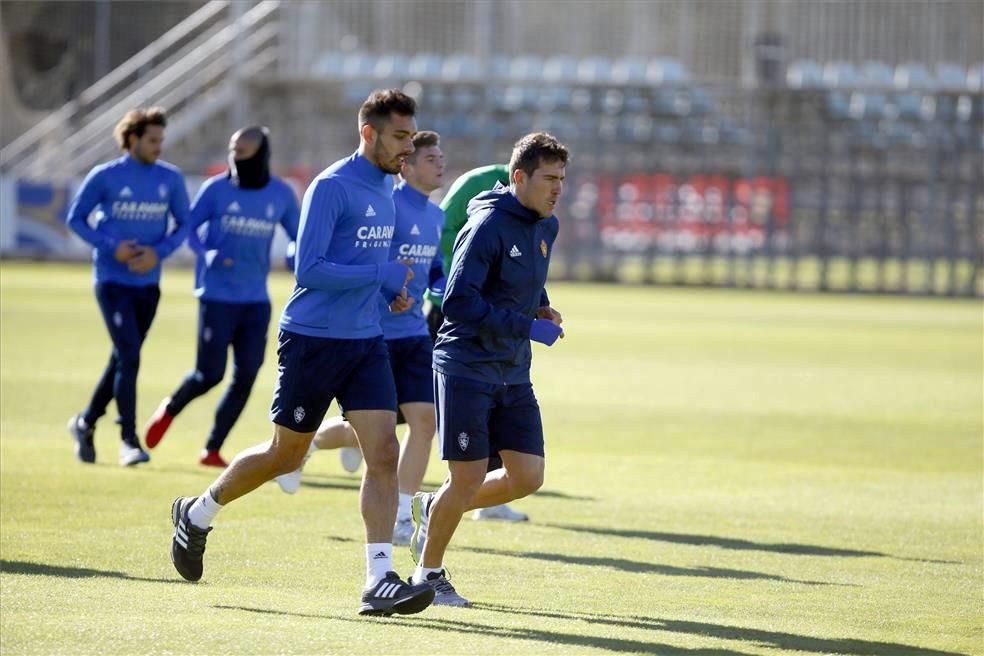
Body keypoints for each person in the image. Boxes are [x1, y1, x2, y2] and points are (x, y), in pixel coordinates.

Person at [167, 89, 435, 617]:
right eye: (399, 136)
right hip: (312, 340)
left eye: (411, 136)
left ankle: (378, 578)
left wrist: (389, 291)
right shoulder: (332, 186)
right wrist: (378, 274)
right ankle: (197, 512)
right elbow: (308, 269)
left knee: (383, 452)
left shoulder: (387, 186)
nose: (407, 147)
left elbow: (364, 263)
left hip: (366, 341)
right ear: (369, 133)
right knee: (285, 454)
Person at [408, 133, 569, 606]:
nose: (557, 189)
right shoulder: (486, 225)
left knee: (527, 476)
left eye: (562, 179)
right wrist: (523, 325)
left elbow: (527, 283)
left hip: (512, 369)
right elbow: (457, 302)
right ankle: (427, 576)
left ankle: (433, 509)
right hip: (467, 365)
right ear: (519, 177)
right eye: (548, 179)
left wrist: (540, 309)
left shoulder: (547, 225)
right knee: (467, 478)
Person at [275, 131, 446, 549]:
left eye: (441, 157)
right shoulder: (389, 203)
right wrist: (388, 292)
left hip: (415, 332)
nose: (439, 164)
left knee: (423, 423)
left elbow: (434, 269)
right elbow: (365, 261)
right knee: (376, 432)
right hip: (375, 333)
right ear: (406, 166)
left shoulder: (436, 216)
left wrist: (441, 289)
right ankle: (309, 442)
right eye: (430, 158)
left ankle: (403, 515)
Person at [142, 127, 300, 467]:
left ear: (259, 155)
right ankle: (170, 408)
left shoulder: (280, 194)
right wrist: (207, 254)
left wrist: (294, 252)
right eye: (232, 149)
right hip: (216, 297)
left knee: (246, 375)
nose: (235, 157)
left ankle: (212, 447)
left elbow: (298, 235)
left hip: (256, 301)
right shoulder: (215, 190)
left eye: (242, 152)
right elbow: (188, 229)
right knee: (209, 373)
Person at [65, 107, 192, 467]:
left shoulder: (170, 178)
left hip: (148, 285)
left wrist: (159, 253)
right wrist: (111, 247)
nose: (158, 147)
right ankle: (128, 440)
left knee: (124, 355)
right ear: (132, 139)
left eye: (161, 140)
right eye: (152, 140)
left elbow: (183, 224)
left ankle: (85, 422)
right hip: (112, 281)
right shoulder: (105, 176)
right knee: (130, 355)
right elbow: (76, 218)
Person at [426, 163, 531, 523]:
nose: (557, 186)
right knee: (411, 408)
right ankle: (338, 436)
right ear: (522, 170)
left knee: (495, 402)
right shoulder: (477, 182)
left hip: (499, 321)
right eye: (550, 175)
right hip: (451, 309)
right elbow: (442, 231)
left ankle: (488, 500)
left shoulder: (537, 209)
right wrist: (452, 276)